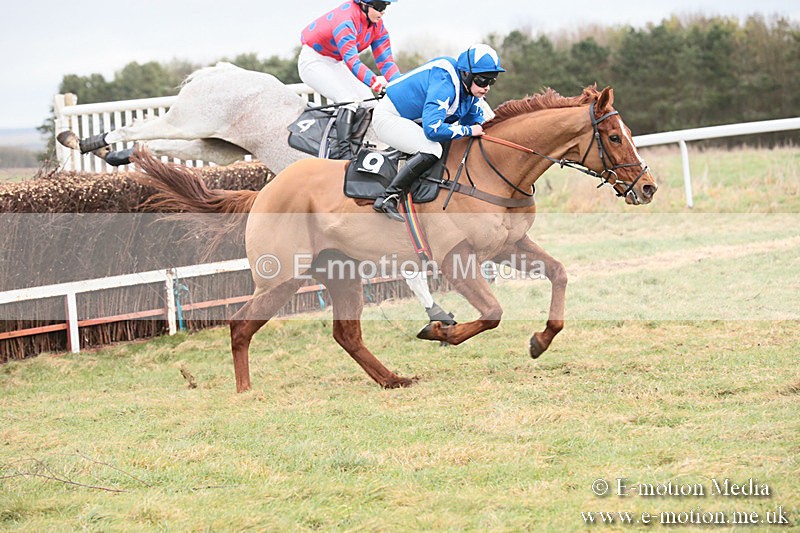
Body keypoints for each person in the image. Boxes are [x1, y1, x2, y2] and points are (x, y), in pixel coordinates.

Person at [371, 44, 505, 221]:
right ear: (466, 74)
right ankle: (388, 197)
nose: (487, 87)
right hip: (388, 118)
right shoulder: (445, 82)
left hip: (412, 121)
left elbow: (475, 125)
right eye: (482, 80)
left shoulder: (470, 93)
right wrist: (467, 130)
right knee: (432, 149)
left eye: (491, 81)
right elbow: (433, 130)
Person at [298, 0, 401, 158]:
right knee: (348, 99)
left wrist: (401, 86)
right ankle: (342, 153)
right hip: (313, 61)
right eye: (379, 7)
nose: (383, 12)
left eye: (385, 6)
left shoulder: (377, 26)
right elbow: (352, 60)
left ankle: (365, 149)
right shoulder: (346, 19)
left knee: (371, 104)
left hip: (337, 63)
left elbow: (386, 62)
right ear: (364, 4)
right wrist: (376, 85)